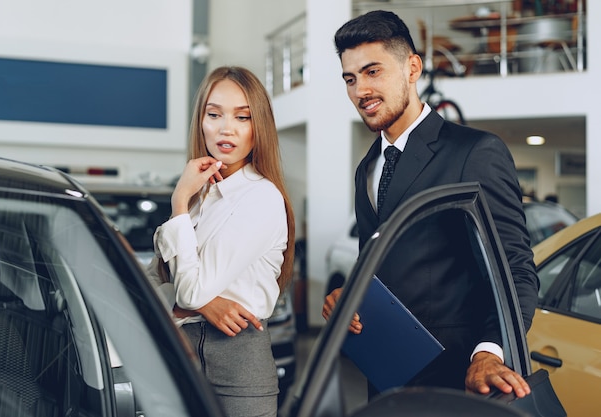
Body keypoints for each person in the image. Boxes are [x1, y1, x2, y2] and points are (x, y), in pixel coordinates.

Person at [321, 10, 539, 400]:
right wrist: (351, 295)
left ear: (412, 68)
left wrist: (490, 354)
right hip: (385, 377)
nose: (360, 91)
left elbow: (517, 271)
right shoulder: (366, 168)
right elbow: (383, 264)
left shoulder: (475, 152)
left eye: (373, 72)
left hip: (458, 380)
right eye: (350, 79)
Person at [147, 66, 295, 417]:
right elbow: (154, 281)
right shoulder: (201, 194)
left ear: (258, 129)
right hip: (179, 352)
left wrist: (178, 202)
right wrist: (202, 305)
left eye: (242, 117)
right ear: (201, 121)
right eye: (214, 114)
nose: (226, 128)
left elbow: (187, 291)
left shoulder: (262, 197)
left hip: (237, 360)